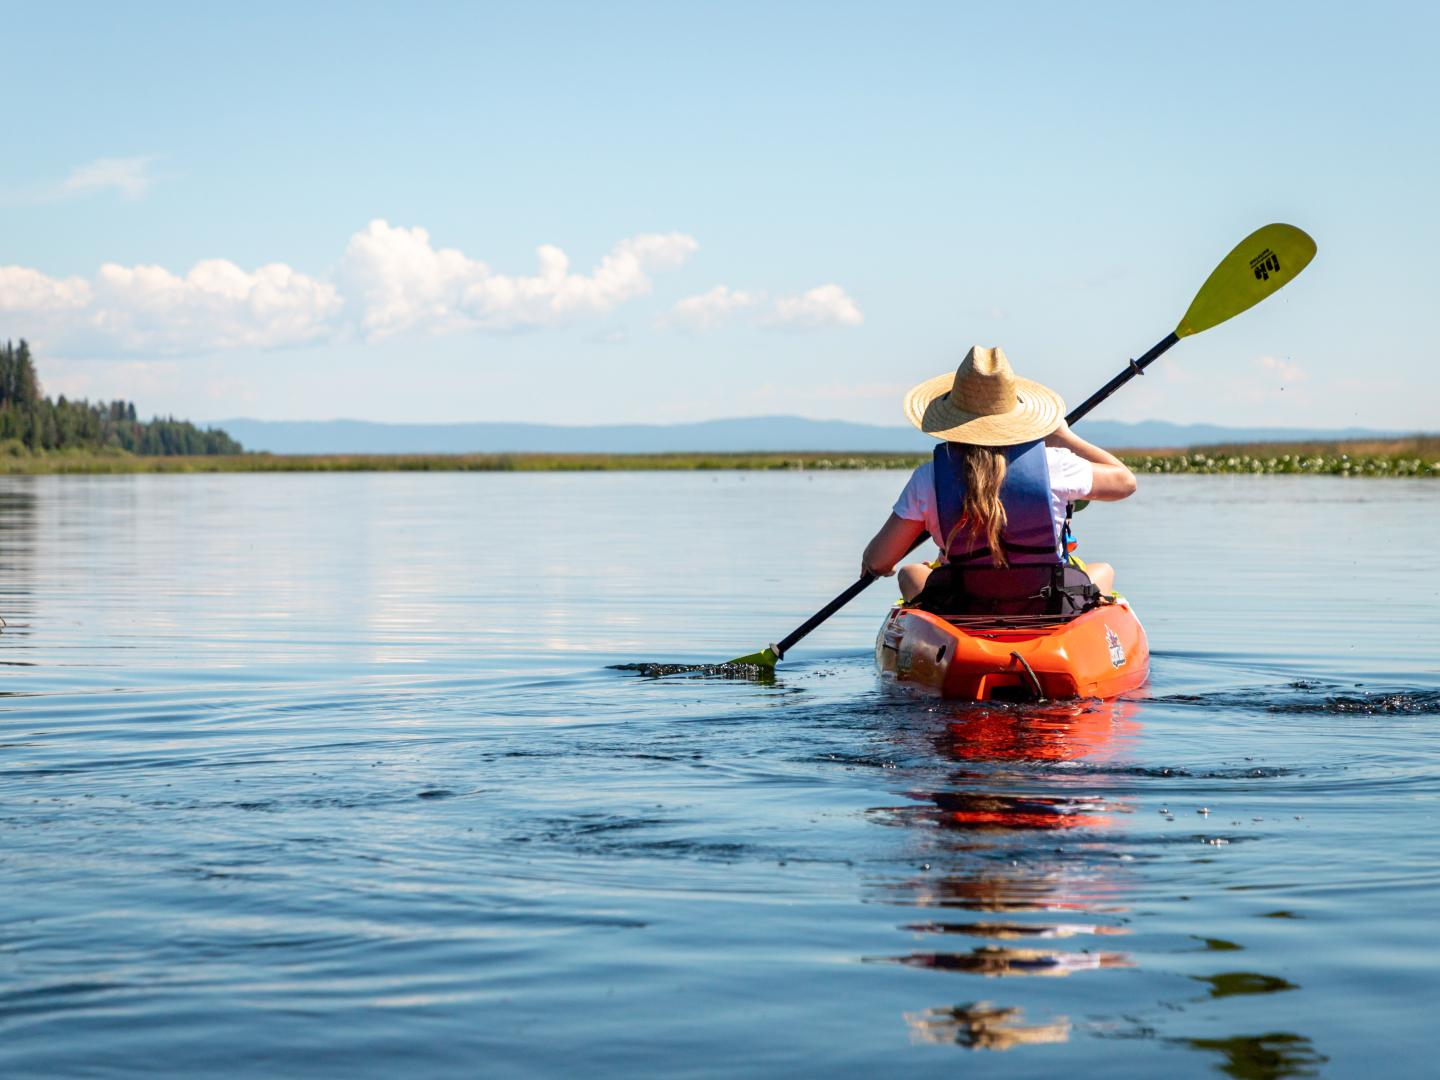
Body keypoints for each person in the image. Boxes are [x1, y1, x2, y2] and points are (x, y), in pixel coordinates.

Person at [862, 345, 1136, 607]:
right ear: (1017, 416)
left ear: (950, 421)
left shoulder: (928, 478)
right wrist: (1064, 437)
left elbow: (878, 561)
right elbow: (1125, 482)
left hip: (962, 603)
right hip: (1045, 601)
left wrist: (883, 560)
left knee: (910, 573)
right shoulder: (1056, 464)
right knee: (1103, 570)